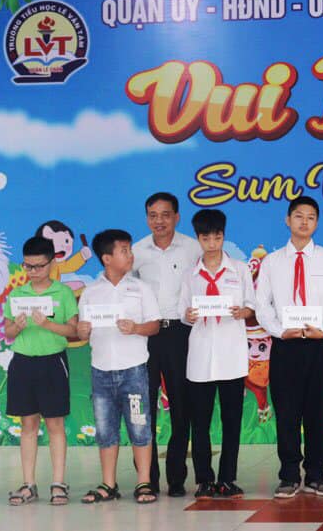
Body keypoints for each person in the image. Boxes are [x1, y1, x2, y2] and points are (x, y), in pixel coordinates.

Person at [254, 196, 323, 498]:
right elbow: (261, 305)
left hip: (320, 344)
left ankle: (317, 474)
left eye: (310, 217)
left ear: (317, 223)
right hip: (286, 345)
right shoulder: (272, 262)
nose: (304, 222)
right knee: (287, 411)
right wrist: (280, 331)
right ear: (288, 220)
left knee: (318, 411)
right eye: (298, 216)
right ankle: (289, 475)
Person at [76, 229, 161, 504]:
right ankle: (108, 484)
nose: (130, 255)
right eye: (124, 250)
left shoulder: (141, 289)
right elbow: (81, 331)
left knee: (140, 427)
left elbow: (155, 325)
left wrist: (136, 328)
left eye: (130, 249)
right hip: (101, 370)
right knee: (105, 430)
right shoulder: (91, 292)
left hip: (133, 369)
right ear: (107, 258)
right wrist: (81, 330)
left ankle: (144, 482)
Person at [178, 208, 257, 499]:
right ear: (198, 238)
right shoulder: (190, 274)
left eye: (217, 237)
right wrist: (188, 315)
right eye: (206, 238)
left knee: (231, 421)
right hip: (200, 356)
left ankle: (227, 478)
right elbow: (182, 311)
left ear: (224, 236)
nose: (212, 243)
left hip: (231, 356)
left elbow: (252, 305)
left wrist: (243, 311)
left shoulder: (240, 270)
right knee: (199, 422)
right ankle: (204, 479)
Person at [131, 192, 202, 496]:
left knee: (181, 406)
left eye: (165, 215)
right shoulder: (136, 251)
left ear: (176, 217)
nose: (158, 221)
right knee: (144, 406)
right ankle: (147, 477)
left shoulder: (193, 248)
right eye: (153, 215)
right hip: (145, 336)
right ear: (147, 218)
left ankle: (176, 477)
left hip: (179, 333)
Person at [4, 236, 79, 506]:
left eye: (39, 266)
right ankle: (28, 484)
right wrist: (18, 326)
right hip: (23, 362)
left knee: (55, 424)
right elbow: (8, 332)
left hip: (53, 362)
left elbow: (73, 330)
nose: (33, 271)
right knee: (28, 425)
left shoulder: (63, 293)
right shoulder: (16, 295)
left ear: (52, 263)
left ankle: (58, 483)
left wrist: (47, 325)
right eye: (28, 266)